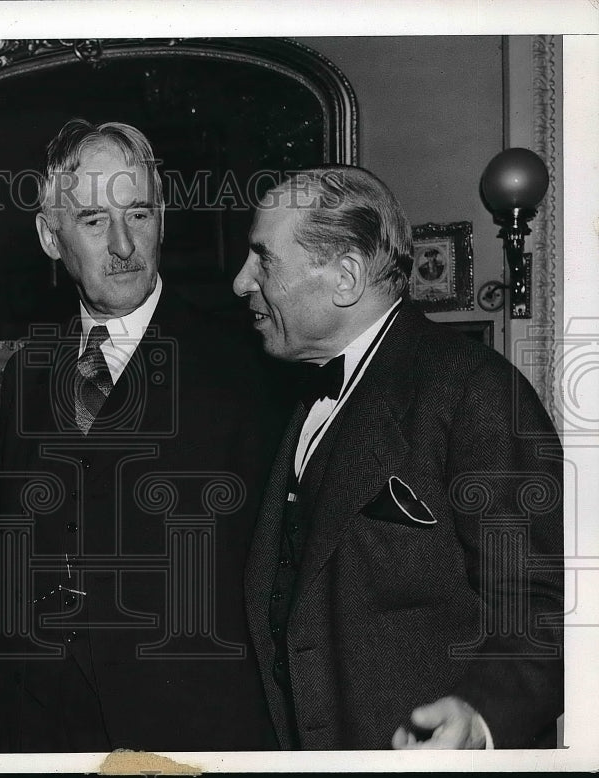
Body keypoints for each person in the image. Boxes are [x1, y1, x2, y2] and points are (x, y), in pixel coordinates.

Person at [233, 165, 563, 750]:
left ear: (346, 277)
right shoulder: (293, 402)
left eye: (264, 259)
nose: (241, 282)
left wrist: (480, 716)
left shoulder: (474, 391)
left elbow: (544, 606)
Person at [0, 119, 290, 752]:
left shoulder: (246, 368)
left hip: (186, 728)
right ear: (51, 237)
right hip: (44, 727)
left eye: (140, 214)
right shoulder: (27, 371)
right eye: (95, 221)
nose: (123, 245)